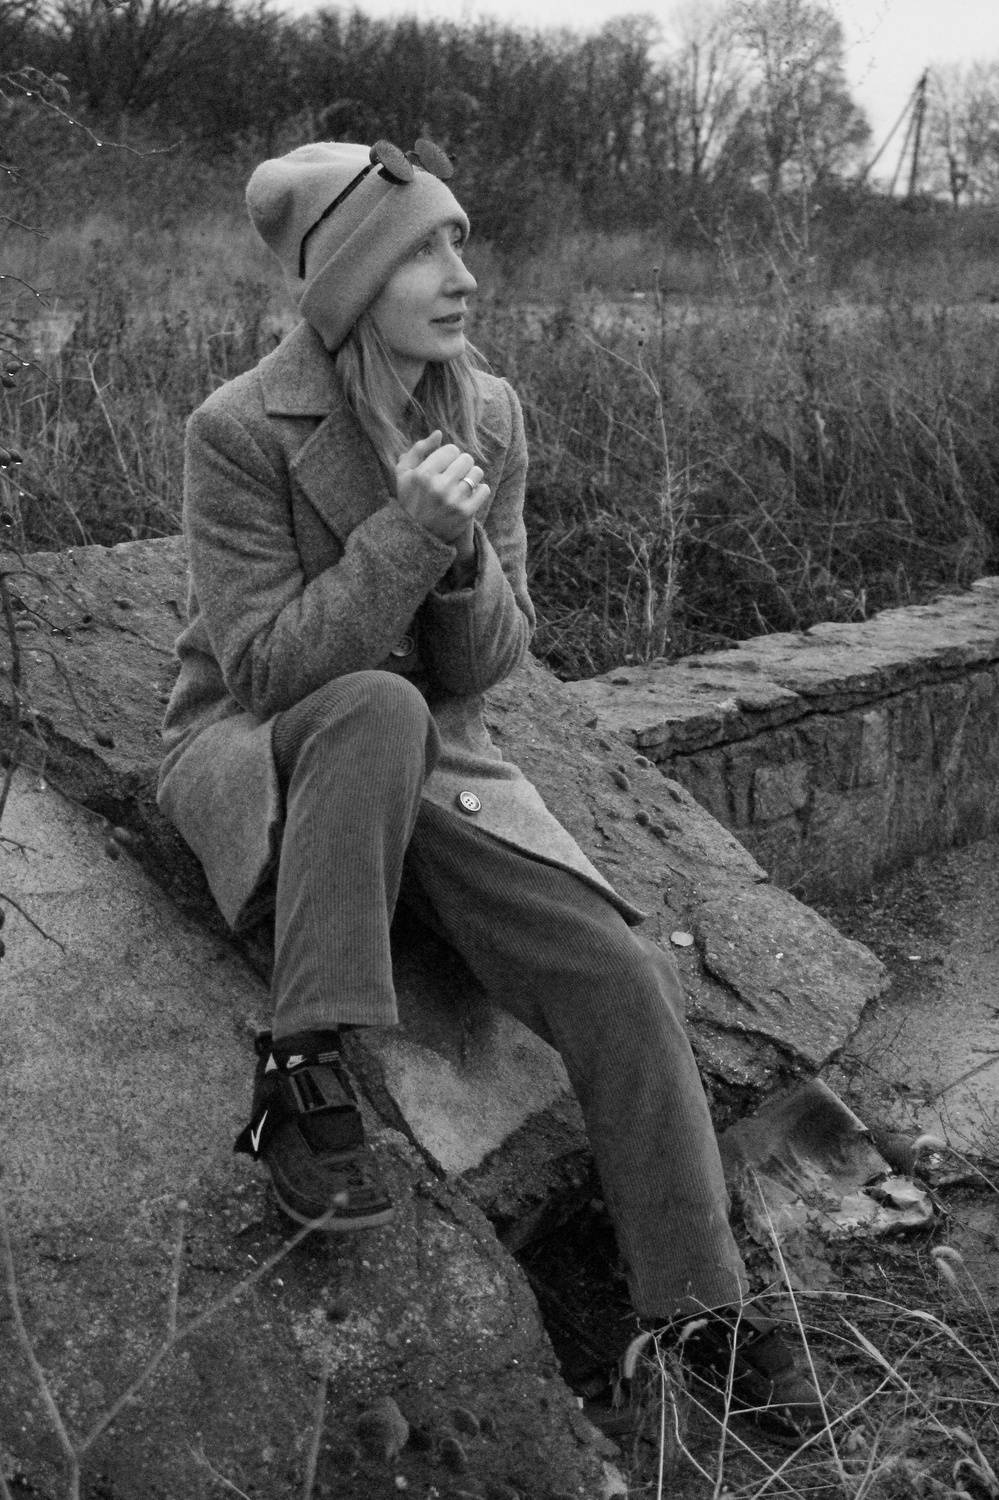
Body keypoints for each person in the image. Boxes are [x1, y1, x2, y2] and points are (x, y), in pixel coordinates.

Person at [157, 137, 823, 1444]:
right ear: (351, 286)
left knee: (619, 974)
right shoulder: (237, 429)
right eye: (424, 252)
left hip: (438, 757)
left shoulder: (490, 412)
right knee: (376, 704)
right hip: (269, 740)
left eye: (461, 242)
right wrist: (404, 531)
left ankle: (698, 1316)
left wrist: (458, 559)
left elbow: (489, 664)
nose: (463, 276)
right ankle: (302, 1069)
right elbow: (267, 666)